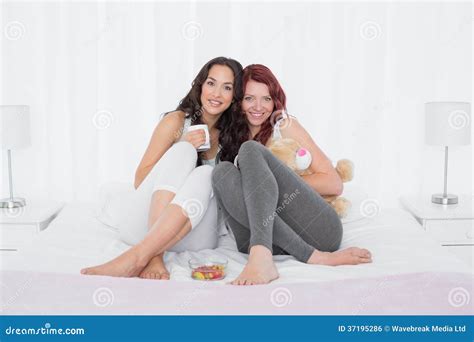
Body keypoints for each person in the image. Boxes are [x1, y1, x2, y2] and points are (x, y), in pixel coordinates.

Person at [81, 57, 244, 279]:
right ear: (200, 86)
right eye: (211, 83)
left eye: (227, 87)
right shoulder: (176, 122)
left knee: (207, 173)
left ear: (234, 97)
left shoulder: (234, 136)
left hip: (191, 234)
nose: (216, 94)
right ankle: (152, 257)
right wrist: (182, 144)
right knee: (184, 151)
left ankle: (142, 255)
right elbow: (140, 179)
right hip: (144, 228)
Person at [212, 64, 372, 286]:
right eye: (249, 98)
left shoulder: (284, 126)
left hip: (316, 229)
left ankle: (310, 256)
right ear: (238, 102)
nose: (258, 106)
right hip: (258, 238)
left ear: (275, 100)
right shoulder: (229, 136)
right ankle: (262, 254)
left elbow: (334, 183)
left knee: (250, 150)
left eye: (266, 99)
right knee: (221, 173)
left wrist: (271, 182)